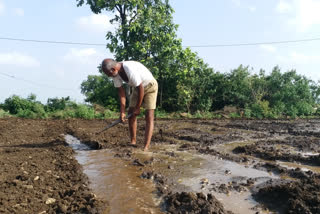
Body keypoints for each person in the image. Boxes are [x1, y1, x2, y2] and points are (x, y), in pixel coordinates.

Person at [101, 58, 158, 151]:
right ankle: (133, 142)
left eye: (109, 74)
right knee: (130, 113)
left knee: (149, 115)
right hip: (137, 88)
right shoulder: (115, 74)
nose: (109, 76)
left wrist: (138, 108)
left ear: (113, 69)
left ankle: (146, 147)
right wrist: (122, 112)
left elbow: (141, 89)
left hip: (150, 85)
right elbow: (121, 93)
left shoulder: (129, 69)